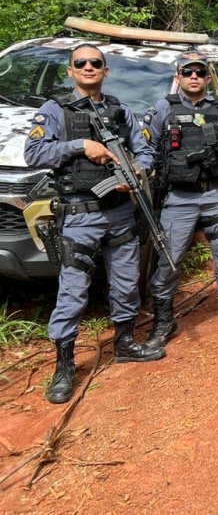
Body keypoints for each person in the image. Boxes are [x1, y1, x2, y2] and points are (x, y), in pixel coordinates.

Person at [25, 45, 164, 404]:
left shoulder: (119, 110)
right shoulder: (55, 110)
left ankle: (125, 341)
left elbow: (145, 150)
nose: (89, 67)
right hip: (79, 214)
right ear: (70, 71)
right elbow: (34, 153)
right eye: (80, 63)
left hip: (119, 210)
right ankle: (65, 365)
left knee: (126, 282)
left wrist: (136, 169)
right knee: (72, 291)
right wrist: (79, 145)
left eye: (96, 63)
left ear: (106, 71)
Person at [142, 51, 218, 349]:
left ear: (207, 77)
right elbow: (146, 149)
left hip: (216, 194)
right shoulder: (164, 109)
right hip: (178, 198)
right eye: (187, 72)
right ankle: (164, 321)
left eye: (199, 72)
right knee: (169, 260)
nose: (194, 77)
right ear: (178, 77)